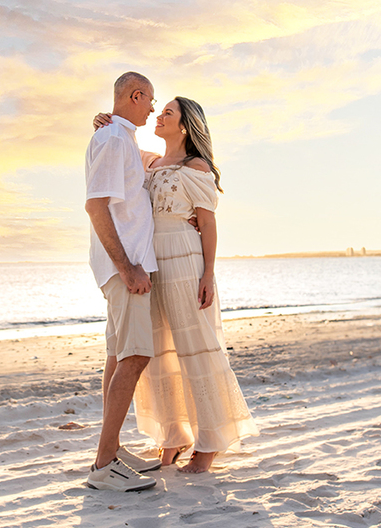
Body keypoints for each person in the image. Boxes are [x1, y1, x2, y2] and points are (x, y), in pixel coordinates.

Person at [95, 97, 257, 474]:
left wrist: (208, 274)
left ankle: (209, 445)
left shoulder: (195, 166)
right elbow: (121, 145)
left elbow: (208, 223)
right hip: (151, 262)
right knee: (159, 354)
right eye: (160, 109)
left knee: (195, 348)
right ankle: (173, 435)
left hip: (185, 258)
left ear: (185, 125)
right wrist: (103, 121)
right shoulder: (150, 161)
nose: (159, 115)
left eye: (168, 112)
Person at [83, 72, 165, 492]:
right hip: (125, 266)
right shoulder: (115, 139)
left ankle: (111, 450)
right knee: (134, 357)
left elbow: (153, 163)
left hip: (125, 264)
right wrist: (127, 267)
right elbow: (96, 207)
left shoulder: (120, 138)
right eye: (151, 100)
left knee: (118, 356)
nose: (154, 108)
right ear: (136, 95)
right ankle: (103, 466)